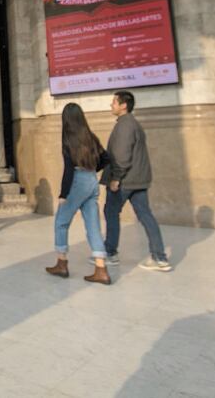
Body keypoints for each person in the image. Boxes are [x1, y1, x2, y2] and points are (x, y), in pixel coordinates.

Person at [99, 90, 172, 272]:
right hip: (139, 179)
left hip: (125, 180)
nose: (111, 105)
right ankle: (159, 257)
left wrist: (116, 178)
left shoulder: (125, 125)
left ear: (124, 105)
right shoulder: (132, 124)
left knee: (111, 212)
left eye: (114, 102)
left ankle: (110, 253)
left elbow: (122, 156)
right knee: (146, 216)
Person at [45, 103, 111, 285]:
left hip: (77, 182)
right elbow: (106, 158)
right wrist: (92, 168)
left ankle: (62, 263)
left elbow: (68, 169)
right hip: (91, 181)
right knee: (93, 226)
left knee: (61, 222)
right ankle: (101, 268)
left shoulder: (68, 138)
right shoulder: (90, 136)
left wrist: (63, 194)